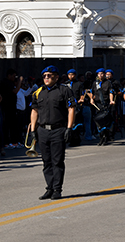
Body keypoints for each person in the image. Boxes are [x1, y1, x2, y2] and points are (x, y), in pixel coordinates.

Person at [30, 66, 76, 200]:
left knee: (57, 161)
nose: (46, 78)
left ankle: (57, 189)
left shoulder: (64, 90)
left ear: (56, 77)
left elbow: (71, 109)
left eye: (49, 75)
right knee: (46, 162)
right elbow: (34, 111)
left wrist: (69, 128)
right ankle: (49, 188)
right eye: (44, 76)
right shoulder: (38, 92)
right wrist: (33, 130)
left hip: (58, 130)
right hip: (43, 130)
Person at [89, 69, 115, 146]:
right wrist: (91, 99)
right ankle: (101, 138)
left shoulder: (108, 83)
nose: (100, 75)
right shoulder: (95, 83)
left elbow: (111, 92)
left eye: (102, 74)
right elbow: (92, 92)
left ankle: (105, 138)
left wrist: (111, 100)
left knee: (105, 121)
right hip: (97, 105)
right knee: (98, 122)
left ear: (104, 74)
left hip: (105, 104)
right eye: (99, 74)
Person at [0, 69, 23, 149]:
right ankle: (6, 143)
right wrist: (20, 82)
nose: (14, 78)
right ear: (9, 75)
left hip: (12, 107)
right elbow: (15, 91)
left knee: (13, 125)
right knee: (7, 126)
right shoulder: (5, 83)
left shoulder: (11, 83)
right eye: (13, 76)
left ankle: (14, 142)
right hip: (7, 107)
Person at [65, 69, 86, 146]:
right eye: (69, 75)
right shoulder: (65, 84)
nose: (71, 76)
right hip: (67, 106)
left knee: (76, 124)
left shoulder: (79, 84)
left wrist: (81, 100)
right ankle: (70, 139)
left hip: (76, 106)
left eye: (72, 75)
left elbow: (82, 94)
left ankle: (77, 140)